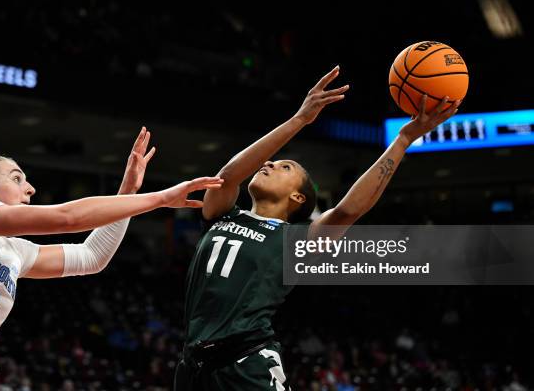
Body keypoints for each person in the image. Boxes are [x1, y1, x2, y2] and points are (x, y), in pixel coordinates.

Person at [175, 66, 461, 390]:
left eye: (285, 167)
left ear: (297, 197)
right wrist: (299, 119)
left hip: (246, 364)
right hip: (192, 365)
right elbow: (228, 175)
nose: (269, 163)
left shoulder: (294, 241)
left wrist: (404, 139)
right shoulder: (224, 213)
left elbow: (346, 211)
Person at [0, 127, 223, 389]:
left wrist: (128, 193)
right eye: (16, 178)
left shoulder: (13, 251)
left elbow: (92, 256)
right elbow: (67, 218)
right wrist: (160, 198)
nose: (30, 187)